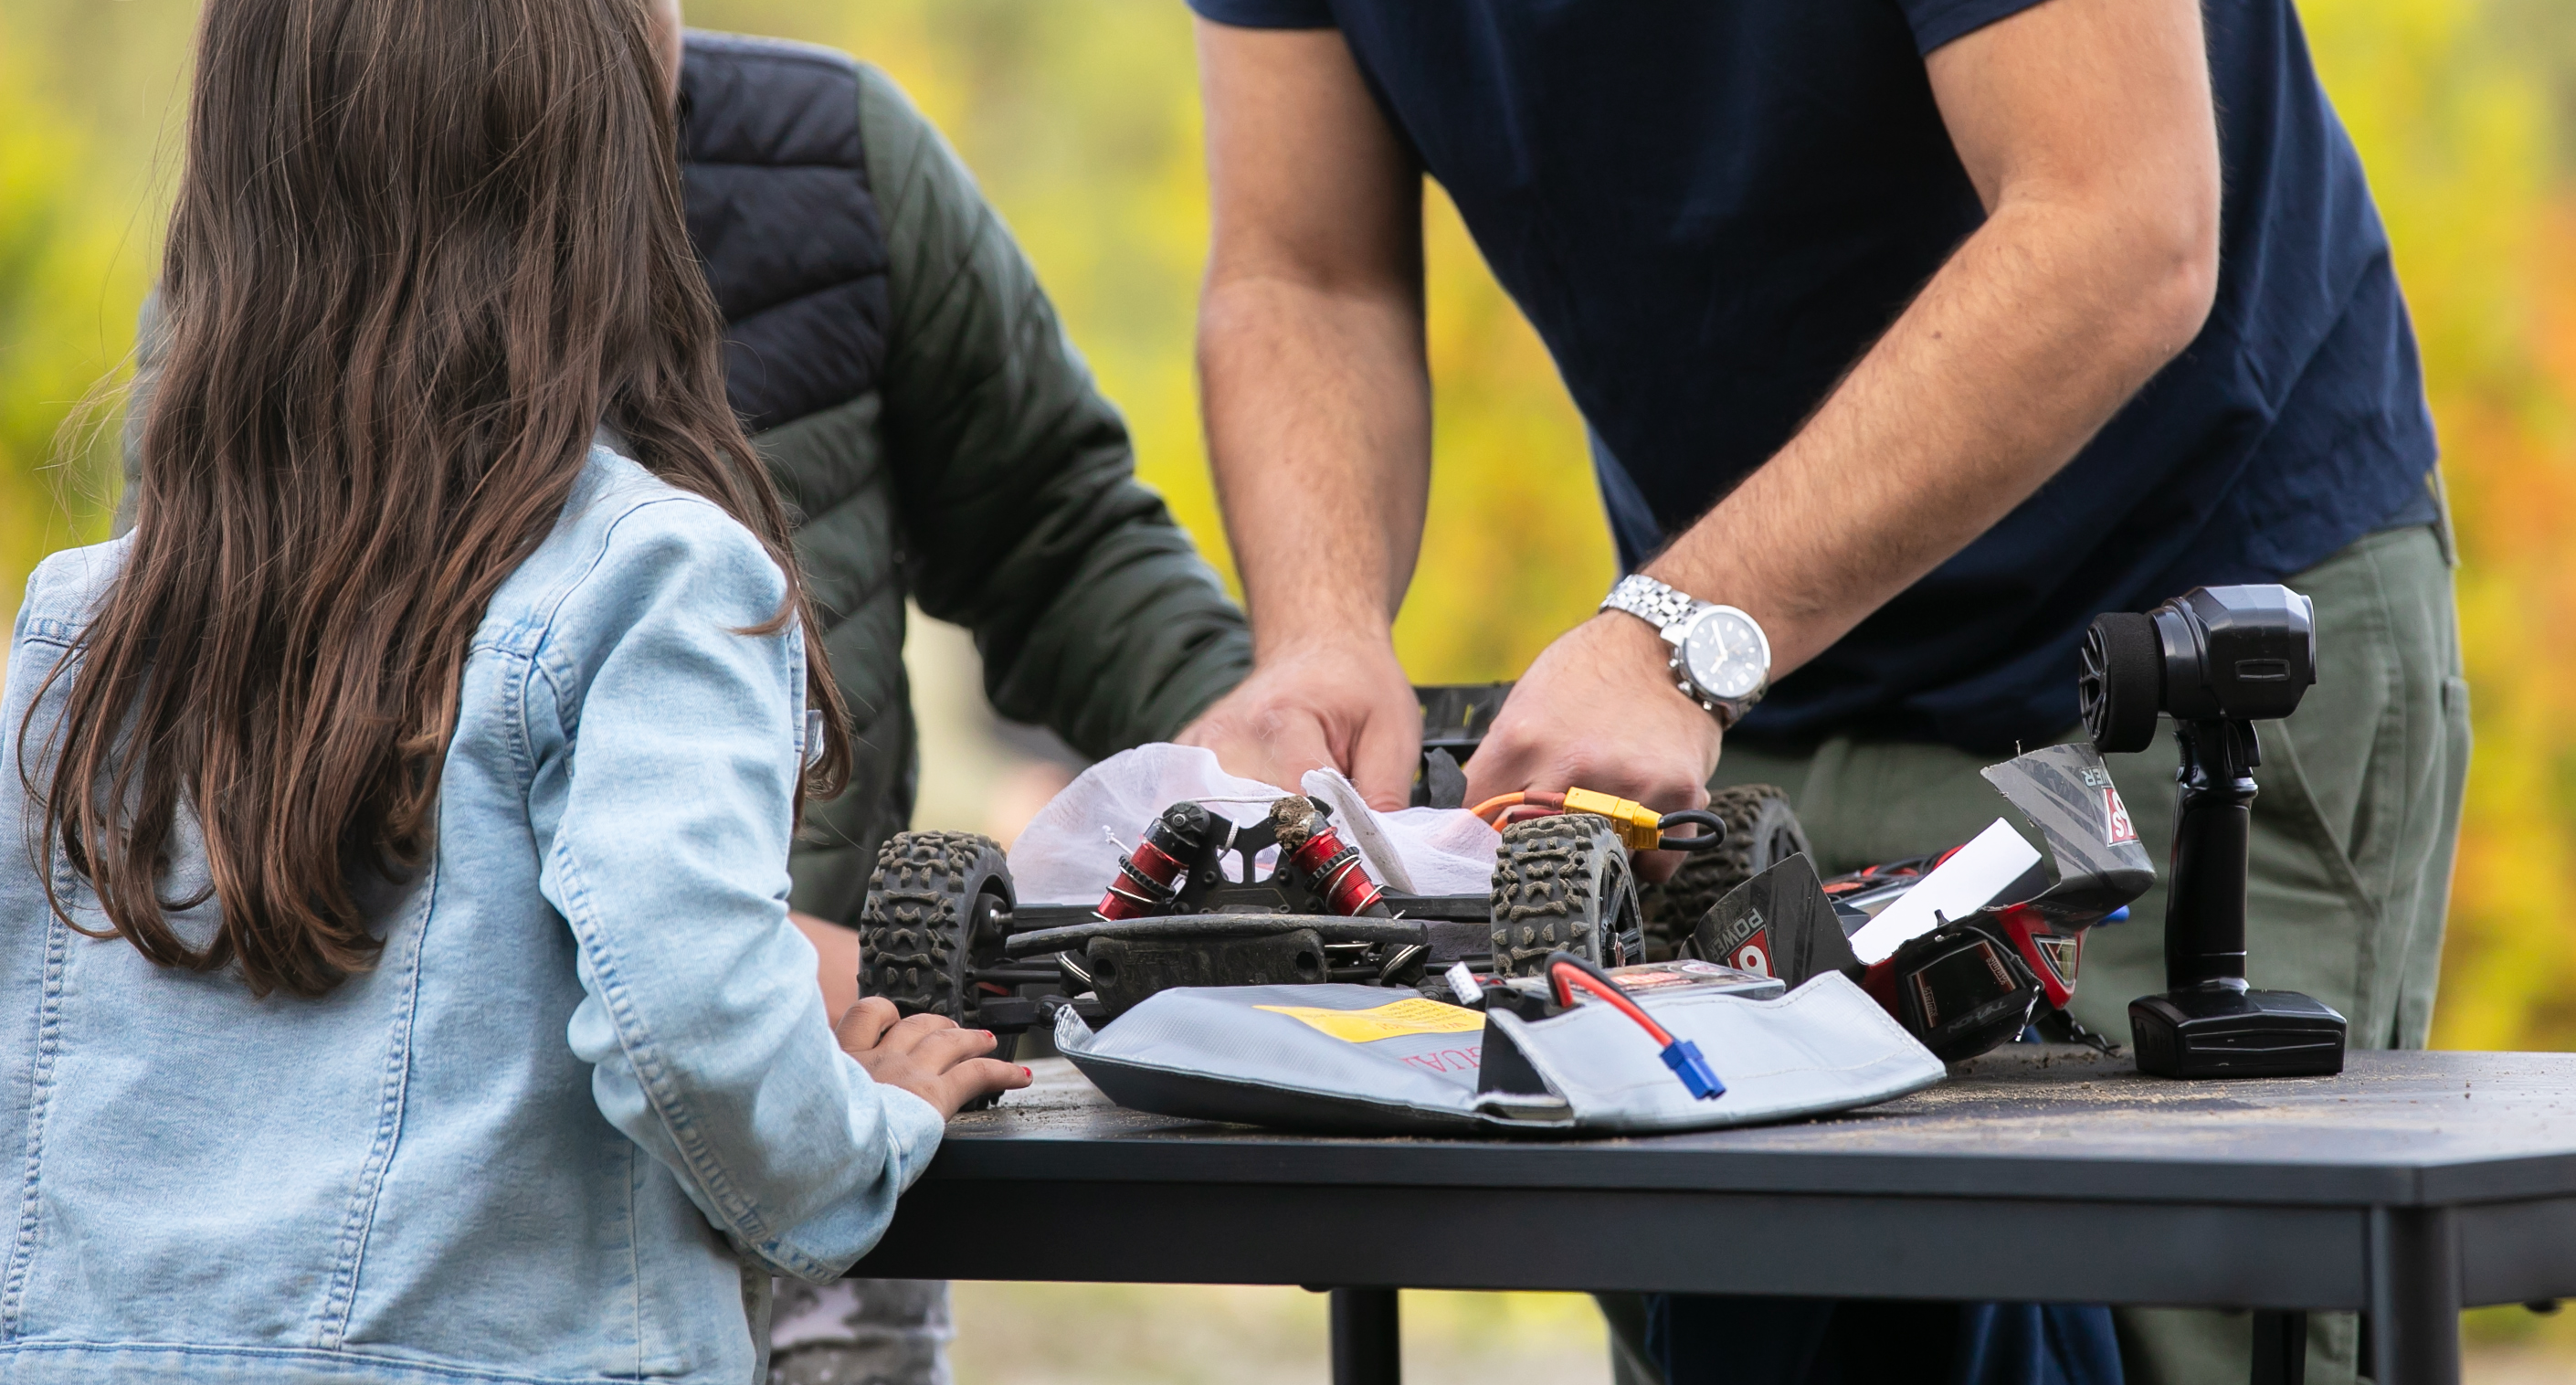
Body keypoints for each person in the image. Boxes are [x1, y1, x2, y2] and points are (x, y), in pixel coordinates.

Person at [1175, 0, 2465, 1381]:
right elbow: (1309, 273)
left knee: (2179, 1328)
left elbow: (2122, 219)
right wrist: (1320, 630)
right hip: (1730, 729)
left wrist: (1679, 634)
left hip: (2161, 669)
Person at [119, 5, 1254, 1380]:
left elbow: (1053, 532)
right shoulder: (671, 574)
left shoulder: (71, 621)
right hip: (640, 1224)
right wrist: (843, 1099)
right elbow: (695, 1023)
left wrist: (1248, 752)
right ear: (608, 197)